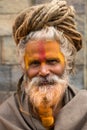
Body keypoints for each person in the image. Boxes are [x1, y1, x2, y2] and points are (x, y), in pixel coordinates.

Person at [0, 0, 87, 130]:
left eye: (52, 61)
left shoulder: (84, 108)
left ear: (67, 63)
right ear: (24, 67)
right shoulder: (6, 116)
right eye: (35, 63)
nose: (44, 71)